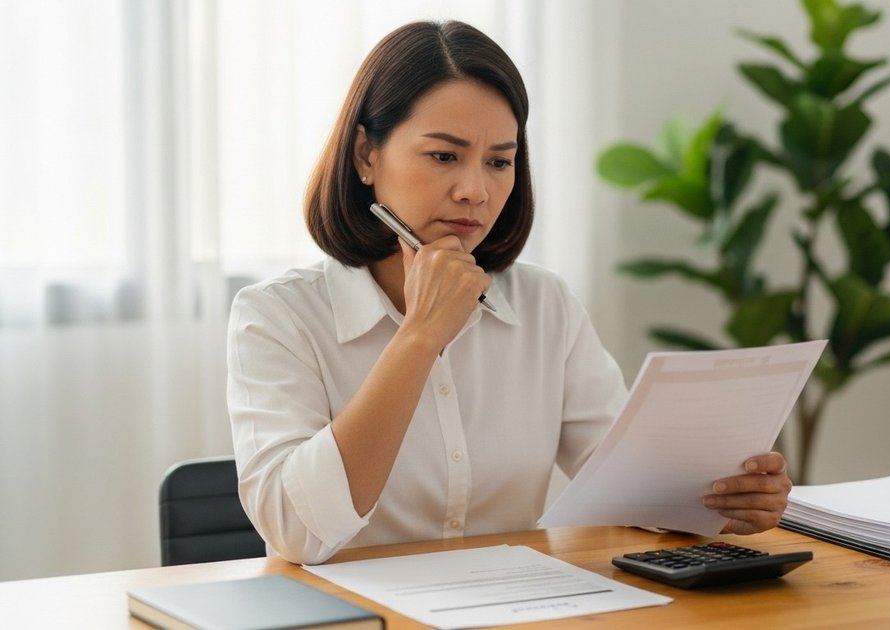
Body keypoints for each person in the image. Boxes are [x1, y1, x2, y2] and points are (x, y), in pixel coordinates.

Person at [226, 19, 792, 566]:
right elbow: (297, 533)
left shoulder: (545, 305)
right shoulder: (277, 316)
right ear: (365, 156)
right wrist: (420, 337)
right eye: (444, 156)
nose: (475, 190)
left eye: (500, 161)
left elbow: (630, 485)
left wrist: (724, 497)